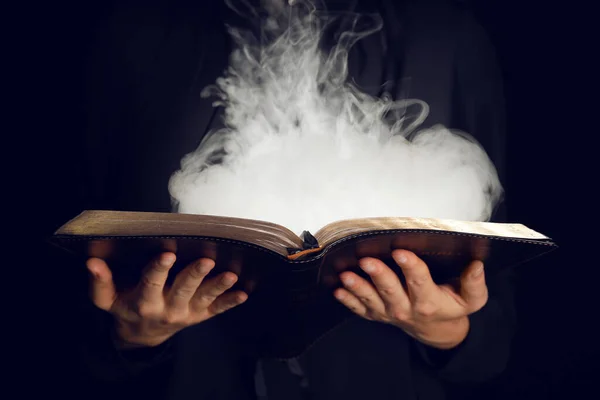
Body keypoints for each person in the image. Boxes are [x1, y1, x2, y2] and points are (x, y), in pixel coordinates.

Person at [78, 0, 515, 399]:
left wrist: (447, 331)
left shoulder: (447, 36)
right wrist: (133, 336)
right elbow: (67, 314)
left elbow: (492, 342)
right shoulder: (133, 35)